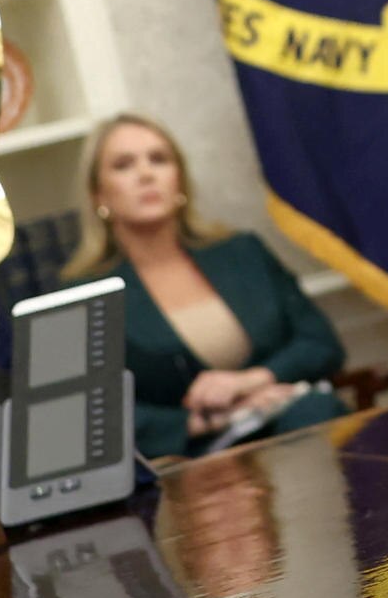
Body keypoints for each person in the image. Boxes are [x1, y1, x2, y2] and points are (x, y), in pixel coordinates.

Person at [72, 112, 349, 454]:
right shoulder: (85, 298)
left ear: (180, 182)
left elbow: (320, 343)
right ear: (99, 195)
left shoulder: (243, 253)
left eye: (159, 160)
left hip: (286, 422)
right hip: (191, 457)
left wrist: (251, 381)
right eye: (124, 165)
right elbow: (85, 414)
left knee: (316, 412)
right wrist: (201, 421)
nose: (146, 174)